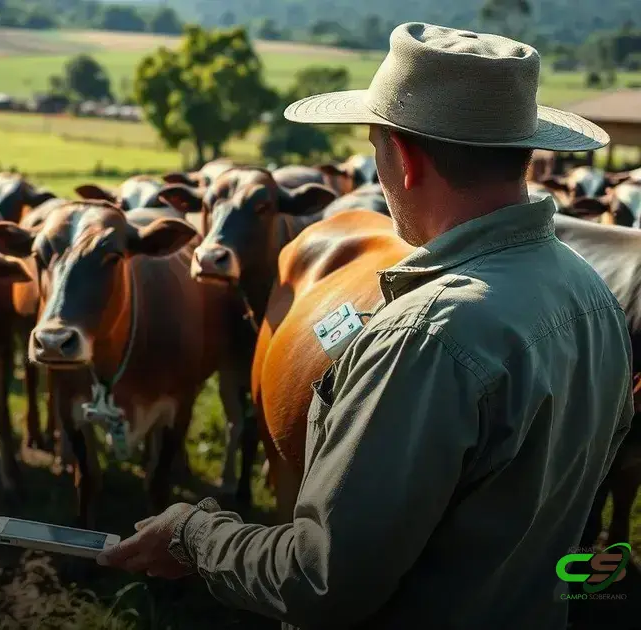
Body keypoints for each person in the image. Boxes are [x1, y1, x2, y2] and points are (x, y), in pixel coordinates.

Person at [95, 22, 635, 629]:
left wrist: (194, 535)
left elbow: (320, 578)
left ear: (403, 158)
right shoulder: (593, 295)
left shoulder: (425, 338)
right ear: (523, 152)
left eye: (376, 146)